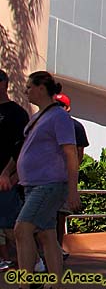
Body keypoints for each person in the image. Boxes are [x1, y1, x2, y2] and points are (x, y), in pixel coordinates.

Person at [0, 71, 79, 282]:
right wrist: (12, 174)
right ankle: (55, 282)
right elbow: (24, 151)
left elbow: (71, 153)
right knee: (47, 235)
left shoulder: (59, 117)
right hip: (32, 185)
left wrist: (73, 190)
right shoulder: (36, 118)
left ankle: (28, 281)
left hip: (49, 185)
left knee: (21, 229)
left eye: (29, 87)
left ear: (41, 88)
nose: (26, 91)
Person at [52, 93, 89, 258]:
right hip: (45, 177)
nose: (59, 108)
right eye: (56, 105)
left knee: (60, 215)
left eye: (62, 105)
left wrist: (71, 174)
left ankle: (57, 248)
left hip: (63, 178)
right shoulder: (47, 124)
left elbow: (79, 154)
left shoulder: (76, 127)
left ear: (68, 108)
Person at [0, 69, 29, 270]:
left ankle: (31, 262)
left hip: (6, 179)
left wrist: (9, 173)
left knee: (10, 225)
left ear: (4, 84)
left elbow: (21, 147)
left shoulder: (17, 113)